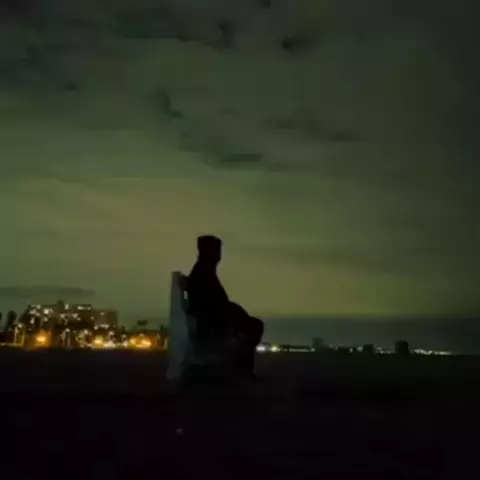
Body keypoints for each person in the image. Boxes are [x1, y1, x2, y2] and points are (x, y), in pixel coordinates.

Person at [187, 235, 264, 378]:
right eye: (216, 250)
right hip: (213, 323)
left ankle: (242, 370)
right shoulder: (203, 273)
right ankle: (243, 371)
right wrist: (234, 314)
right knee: (254, 327)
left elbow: (215, 302)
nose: (219, 254)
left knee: (253, 325)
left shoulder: (204, 271)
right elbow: (210, 305)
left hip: (215, 319)